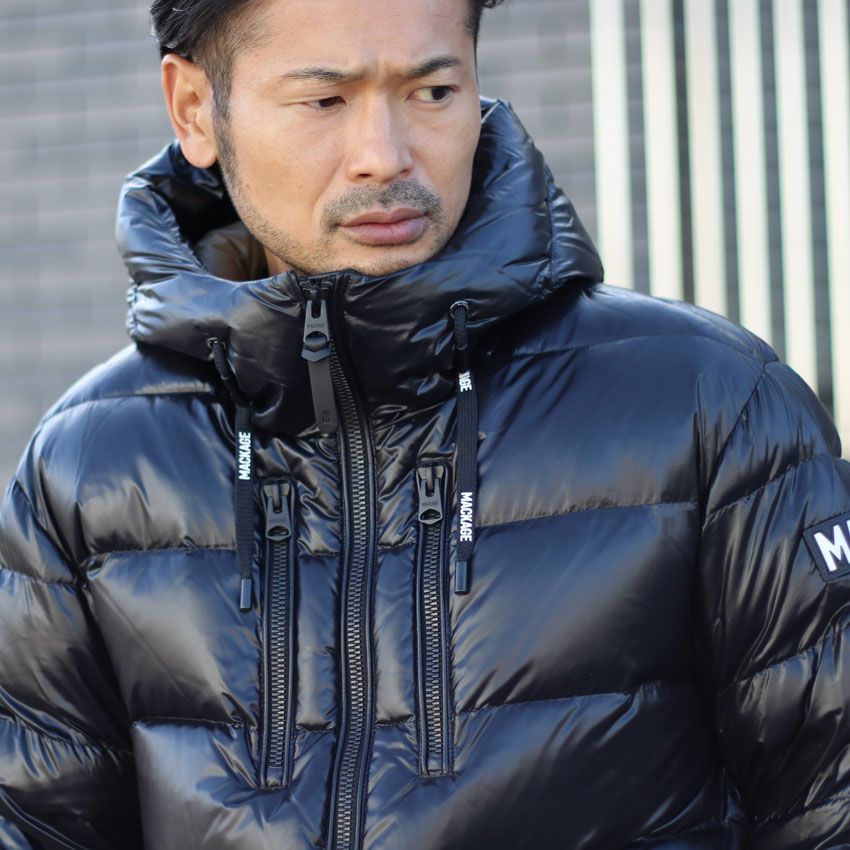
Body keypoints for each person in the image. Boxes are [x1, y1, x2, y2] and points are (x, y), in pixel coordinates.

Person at [1, 0, 849, 847]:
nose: (386, 155)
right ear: (194, 109)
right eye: (325, 100)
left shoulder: (709, 404)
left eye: (433, 91)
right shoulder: (90, 465)